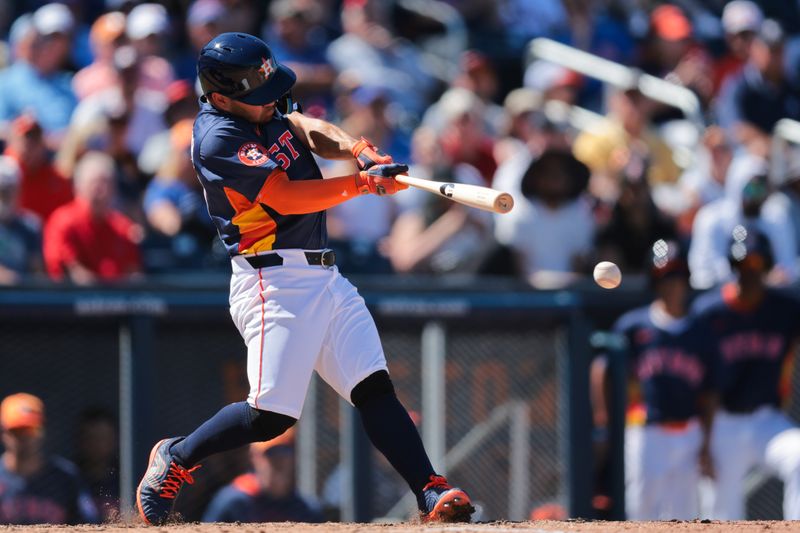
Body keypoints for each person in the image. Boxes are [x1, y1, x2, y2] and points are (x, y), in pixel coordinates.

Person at [135, 33, 474, 526]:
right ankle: (178, 456)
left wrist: (359, 149)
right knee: (271, 416)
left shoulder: (261, 108)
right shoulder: (217, 136)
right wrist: (361, 184)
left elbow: (304, 127)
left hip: (324, 275)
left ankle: (429, 490)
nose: (269, 102)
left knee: (373, 387)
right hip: (272, 280)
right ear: (221, 95)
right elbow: (286, 196)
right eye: (256, 96)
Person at [591, 240, 713, 520]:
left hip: (688, 430)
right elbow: (602, 369)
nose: (672, 284)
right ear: (654, 281)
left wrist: (707, 439)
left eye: (677, 276)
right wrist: (603, 420)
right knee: (641, 509)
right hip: (646, 430)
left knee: (685, 514)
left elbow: (711, 390)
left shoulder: (700, 330)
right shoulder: (634, 325)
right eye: (665, 276)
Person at [691, 224, 800, 519]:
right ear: (731, 265)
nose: (748, 270)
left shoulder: (786, 308)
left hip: (767, 421)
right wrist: (702, 441)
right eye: (741, 263)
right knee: (720, 512)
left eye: (755, 262)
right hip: (722, 424)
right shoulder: (709, 312)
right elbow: (700, 381)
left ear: (766, 264)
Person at [0, 393, 100, 524]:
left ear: (42, 431)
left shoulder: (65, 477)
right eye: (17, 431)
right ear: (3, 432)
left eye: (30, 430)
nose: (24, 438)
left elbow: (90, 522)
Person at [43, 151, 142, 284]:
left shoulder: (122, 227)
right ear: (78, 186)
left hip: (118, 301)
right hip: (73, 300)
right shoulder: (63, 222)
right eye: (94, 183)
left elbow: (133, 273)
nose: (101, 190)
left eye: (106, 183)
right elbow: (66, 271)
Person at [202, 428, 322, 522]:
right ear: (254, 457)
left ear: (295, 457)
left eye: (285, 453)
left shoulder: (306, 507)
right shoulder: (234, 500)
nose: (279, 461)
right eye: (271, 454)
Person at [0, 155, 43, 284]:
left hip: (22, 299)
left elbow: (37, 271)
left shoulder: (31, 225)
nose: (4, 196)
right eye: (1, 190)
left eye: (9, 189)